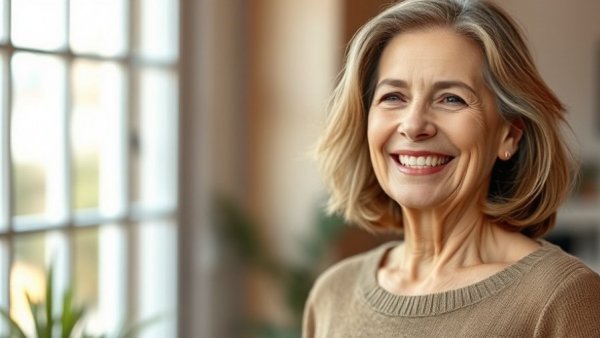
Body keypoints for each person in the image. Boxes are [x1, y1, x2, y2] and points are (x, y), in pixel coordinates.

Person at [303, 0, 600, 337]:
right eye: (393, 97)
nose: (414, 125)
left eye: (451, 99)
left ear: (509, 135)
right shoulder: (332, 295)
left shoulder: (561, 299)